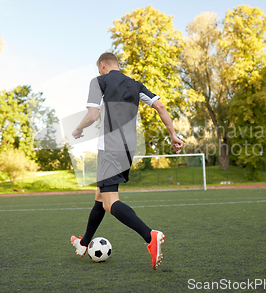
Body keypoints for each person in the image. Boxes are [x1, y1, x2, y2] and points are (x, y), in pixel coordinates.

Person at [70, 52, 184, 269]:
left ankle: (149, 236)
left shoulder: (98, 81)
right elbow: (160, 107)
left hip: (109, 148)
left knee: (110, 202)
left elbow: (93, 115)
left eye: (99, 68)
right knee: (100, 196)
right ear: (118, 65)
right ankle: (84, 244)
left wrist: (77, 129)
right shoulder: (135, 84)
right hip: (127, 148)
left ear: (102, 65)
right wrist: (173, 135)